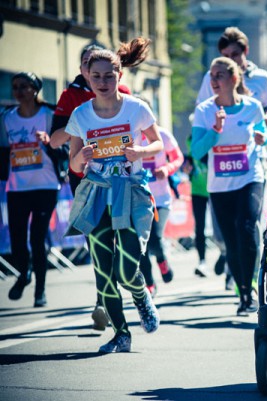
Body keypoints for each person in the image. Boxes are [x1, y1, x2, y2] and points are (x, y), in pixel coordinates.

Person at [65, 38, 162, 353]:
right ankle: (122, 334)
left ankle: (140, 296)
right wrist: (83, 158)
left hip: (131, 195)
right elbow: (74, 162)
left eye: (110, 75)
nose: (103, 82)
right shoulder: (81, 114)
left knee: (125, 270)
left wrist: (140, 151)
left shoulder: (136, 108)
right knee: (105, 274)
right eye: (97, 76)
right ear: (87, 77)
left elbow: (157, 143)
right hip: (97, 196)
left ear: (120, 75)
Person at [49, 43, 131, 331]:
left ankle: (128, 285)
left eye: (100, 68)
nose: (92, 72)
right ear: (83, 69)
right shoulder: (71, 96)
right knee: (98, 242)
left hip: (122, 180)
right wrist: (79, 126)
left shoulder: (124, 94)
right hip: (85, 179)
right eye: (86, 65)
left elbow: (139, 135)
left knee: (122, 244)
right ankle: (103, 301)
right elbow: (54, 138)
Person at [195, 26, 267, 282]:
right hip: (221, 163)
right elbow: (201, 113)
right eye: (225, 54)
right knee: (224, 234)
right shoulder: (213, 78)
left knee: (248, 223)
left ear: (245, 52)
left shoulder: (261, 78)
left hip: (253, 158)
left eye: (234, 54)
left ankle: (250, 277)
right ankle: (232, 255)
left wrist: (264, 125)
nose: (230, 60)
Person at [190, 57, 267, 316]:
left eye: (219, 76)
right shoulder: (204, 110)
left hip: (250, 178)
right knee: (231, 241)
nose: (214, 81)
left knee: (246, 228)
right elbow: (197, 150)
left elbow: (263, 133)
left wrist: (261, 137)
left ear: (234, 79)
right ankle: (243, 290)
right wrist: (215, 130)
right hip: (219, 185)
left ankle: (254, 286)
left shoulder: (253, 106)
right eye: (211, 76)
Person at [0, 72, 59, 307]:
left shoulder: (49, 114)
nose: (19, 91)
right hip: (17, 187)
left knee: (37, 238)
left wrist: (48, 141)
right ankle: (23, 274)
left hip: (46, 185)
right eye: (15, 87)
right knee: (16, 239)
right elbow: (3, 150)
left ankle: (40, 290)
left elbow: (63, 145)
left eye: (24, 86)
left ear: (35, 89)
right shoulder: (6, 118)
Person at [137, 99, 184, 297]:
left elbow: (178, 158)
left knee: (155, 237)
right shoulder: (128, 137)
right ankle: (149, 283)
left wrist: (167, 169)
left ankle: (162, 259)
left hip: (161, 199)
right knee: (141, 244)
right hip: (137, 198)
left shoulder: (162, 135)